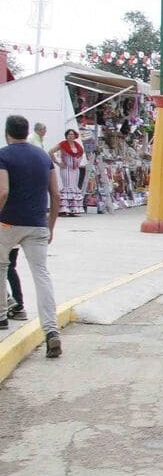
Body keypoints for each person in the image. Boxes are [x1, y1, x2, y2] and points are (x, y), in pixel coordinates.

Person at [0, 115, 62, 357]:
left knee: (2, 266)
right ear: (28, 132)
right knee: (42, 275)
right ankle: (51, 331)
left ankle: (3, 316)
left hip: (7, 223)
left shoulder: (3, 155)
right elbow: (55, 195)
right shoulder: (43, 157)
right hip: (37, 225)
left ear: (7, 132)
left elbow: (3, 190)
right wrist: (51, 226)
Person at [47, 128, 86, 216]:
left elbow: (81, 154)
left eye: (72, 134)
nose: (71, 136)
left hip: (75, 169)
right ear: (66, 136)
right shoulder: (62, 144)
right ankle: (64, 209)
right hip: (66, 168)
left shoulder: (77, 145)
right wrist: (57, 162)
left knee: (74, 186)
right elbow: (50, 151)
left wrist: (78, 161)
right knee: (67, 186)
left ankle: (73, 209)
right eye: (69, 135)